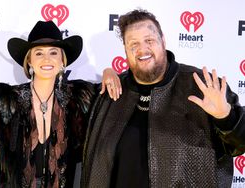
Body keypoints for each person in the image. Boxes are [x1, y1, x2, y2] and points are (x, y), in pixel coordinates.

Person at [81, 9, 245, 188]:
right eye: (133, 44)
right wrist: (107, 71)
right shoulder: (111, 92)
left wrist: (226, 117)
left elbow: (239, 145)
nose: (142, 49)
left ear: (163, 41)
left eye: (149, 40)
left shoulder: (202, 86)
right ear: (126, 50)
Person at [0, 20, 121, 188]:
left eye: (53, 53)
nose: (46, 59)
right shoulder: (5, 99)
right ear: (30, 61)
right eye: (39, 53)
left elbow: (107, 96)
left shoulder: (77, 98)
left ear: (62, 61)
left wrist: (109, 71)